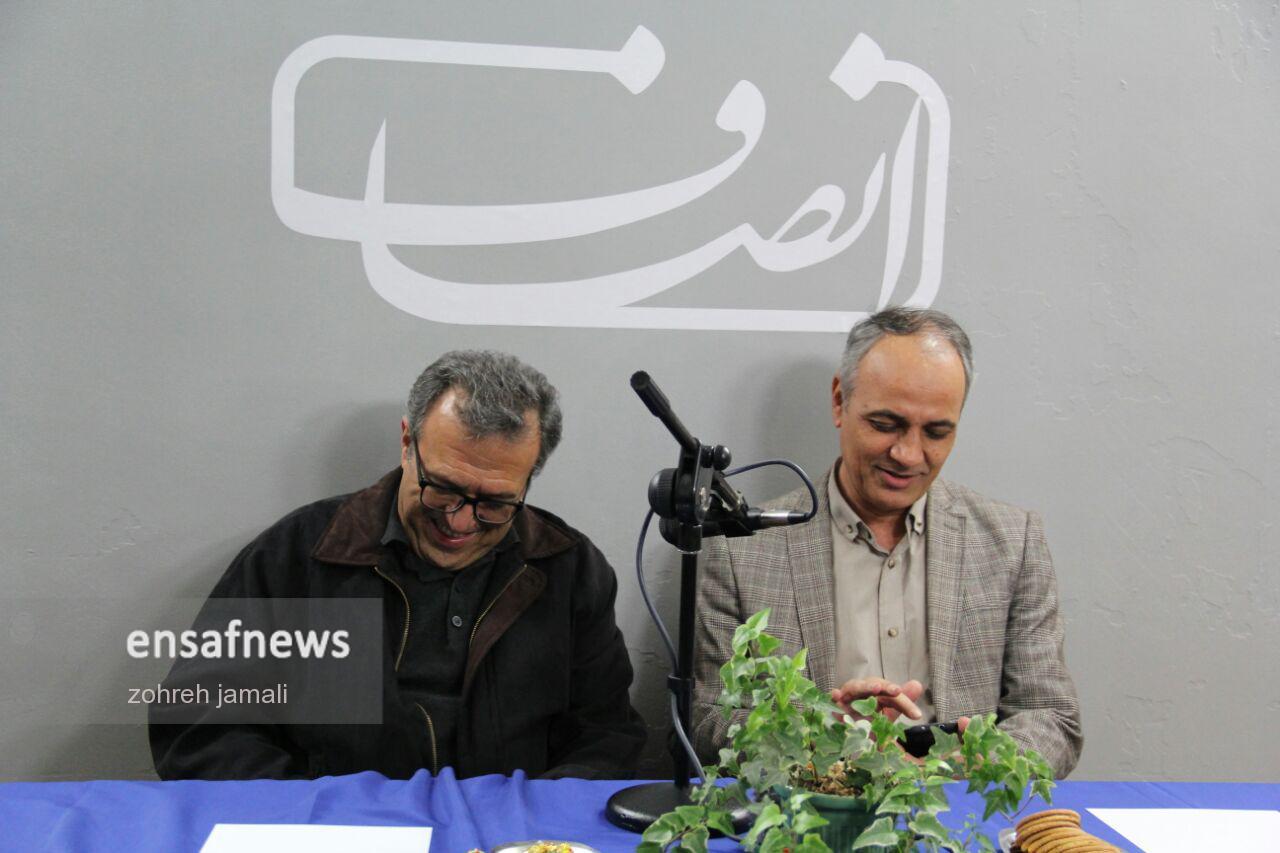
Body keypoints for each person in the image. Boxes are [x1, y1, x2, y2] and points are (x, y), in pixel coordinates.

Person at [151, 350, 646, 780]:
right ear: (407, 443)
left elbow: (605, 735)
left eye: (495, 503)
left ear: (528, 481)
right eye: (443, 489)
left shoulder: (569, 569)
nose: (459, 521)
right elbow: (198, 723)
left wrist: (532, 823)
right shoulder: (298, 556)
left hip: (511, 833)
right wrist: (319, 812)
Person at [691, 308, 1082, 778]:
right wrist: (823, 734)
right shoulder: (743, 551)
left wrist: (962, 766)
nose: (908, 454)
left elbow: (1051, 719)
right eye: (885, 424)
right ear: (840, 401)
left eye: (936, 432)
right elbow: (710, 724)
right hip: (812, 806)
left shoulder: (1011, 543)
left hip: (959, 805)